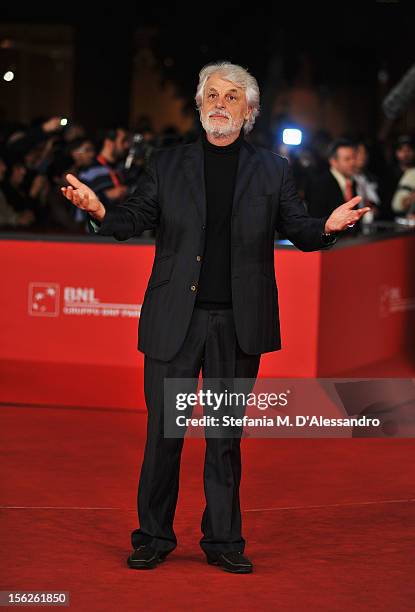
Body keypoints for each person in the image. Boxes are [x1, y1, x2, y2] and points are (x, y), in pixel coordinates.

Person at [61, 60, 370, 574]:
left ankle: (224, 539)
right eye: (211, 95)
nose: (219, 104)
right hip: (174, 322)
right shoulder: (167, 163)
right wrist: (98, 212)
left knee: (225, 439)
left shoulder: (274, 169)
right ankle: (153, 536)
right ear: (199, 104)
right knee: (164, 435)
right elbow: (134, 217)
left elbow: (300, 228)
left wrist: (329, 226)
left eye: (231, 97)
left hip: (237, 323)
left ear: (249, 111)